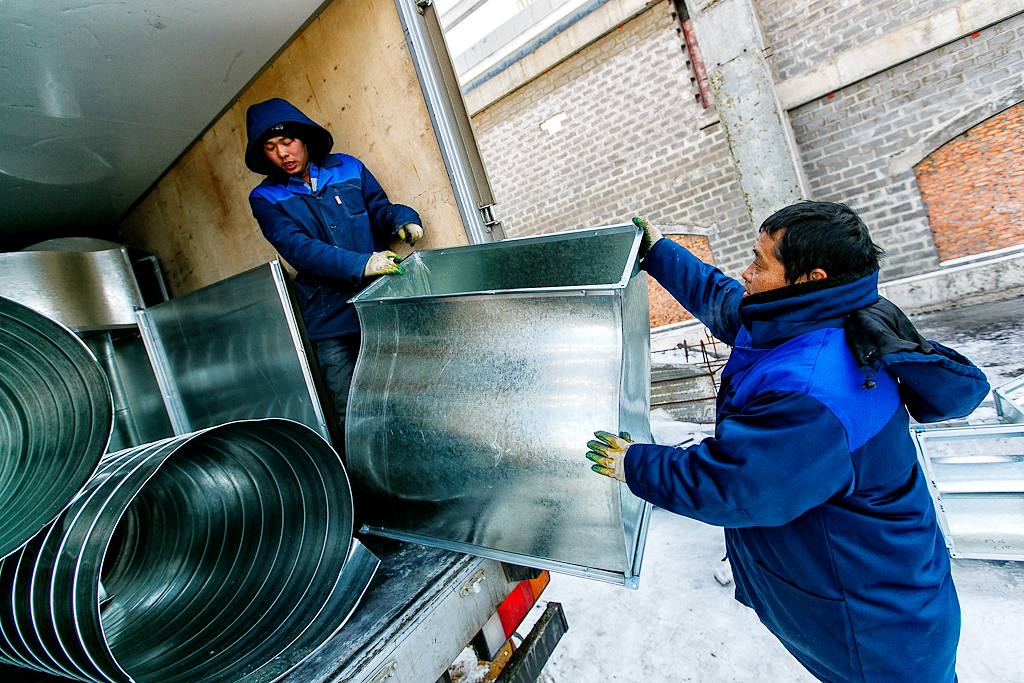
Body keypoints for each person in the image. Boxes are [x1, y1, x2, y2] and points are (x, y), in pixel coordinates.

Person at [586, 202, 989, 683]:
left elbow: (736, 488)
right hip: (870, 591)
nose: (746, 272)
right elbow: (730, 305)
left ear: (811, 277)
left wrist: (635, 464)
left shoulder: (814, 390)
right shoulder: (818, 314)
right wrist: (659, 253)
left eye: (760, 263)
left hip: (876, 628)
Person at [245, 98, 422, 449]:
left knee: (401, 398)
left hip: (376, 310)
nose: (283, 154)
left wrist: (402, 218)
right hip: (329, 322)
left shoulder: (349, 168)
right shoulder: (265, 198)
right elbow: (299, 249)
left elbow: (377, 210)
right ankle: (371, 492)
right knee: (352, 413)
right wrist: (361, 264)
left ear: (305, 139)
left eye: (288, 142)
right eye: (270, 147)